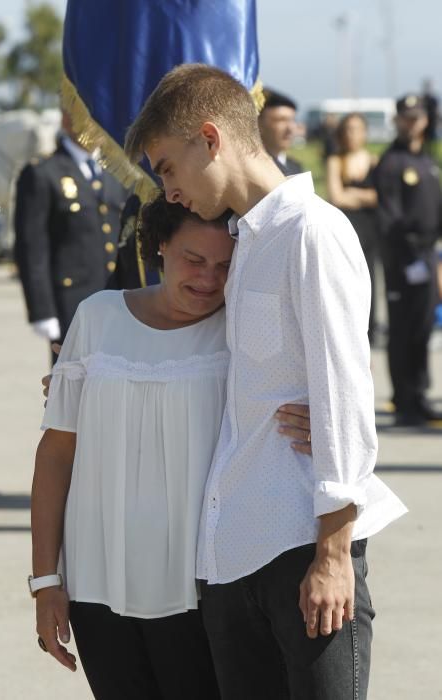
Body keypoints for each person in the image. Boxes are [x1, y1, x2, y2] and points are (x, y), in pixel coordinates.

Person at [125, 63, 407, 700]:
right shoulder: (246, 242)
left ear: (208, 137)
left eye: (167, 166)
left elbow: (345, 391)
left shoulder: (311, 231)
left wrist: (333, 555)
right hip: (232, 556)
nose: (166, 191)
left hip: (300, 550)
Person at [30, 191, 312, 700]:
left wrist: (326, 421)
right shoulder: (96, 317)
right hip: (98, 583)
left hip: (205, 590)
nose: (208, 279)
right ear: (160, 246)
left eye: (226, 266)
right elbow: (55, 456)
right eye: (194, 259)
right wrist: (45, 581)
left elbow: (311, 400)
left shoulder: (243, 333)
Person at [14, 112, 128, 363]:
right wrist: (41, 309)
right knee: (72, 386)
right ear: (68, 118)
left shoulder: (115, 173)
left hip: (117, 299)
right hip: (70, 302)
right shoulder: (43, 173)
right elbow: (32, 247)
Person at [374, 94, 442, 426]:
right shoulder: (391, 162)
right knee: (403, 330)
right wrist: (409, 260)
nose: (412, 123)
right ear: (398, 120)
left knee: (423, 329)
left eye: (417, 117)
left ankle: (419, 394)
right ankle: (404, 400)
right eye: (406, 117)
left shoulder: (426, 160)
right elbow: (389, 219)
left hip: (428, 255)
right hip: (404, 261)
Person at [326, 113, 378, 343]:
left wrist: (354, 194)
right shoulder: (335, 160)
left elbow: (381, 197)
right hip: (347, 226)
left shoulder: (374, 161)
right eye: (347, 129)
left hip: (370, 227)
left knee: (371, 276)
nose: (352, 134)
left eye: (357, 129)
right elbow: (336, 197)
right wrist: (365, 196)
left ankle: (372, 326)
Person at [258, 89, 302, 176]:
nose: (290, 128)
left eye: (293, 120)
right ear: (259, 124)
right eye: (281, 120)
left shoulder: (295, 166)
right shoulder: (255, 168)